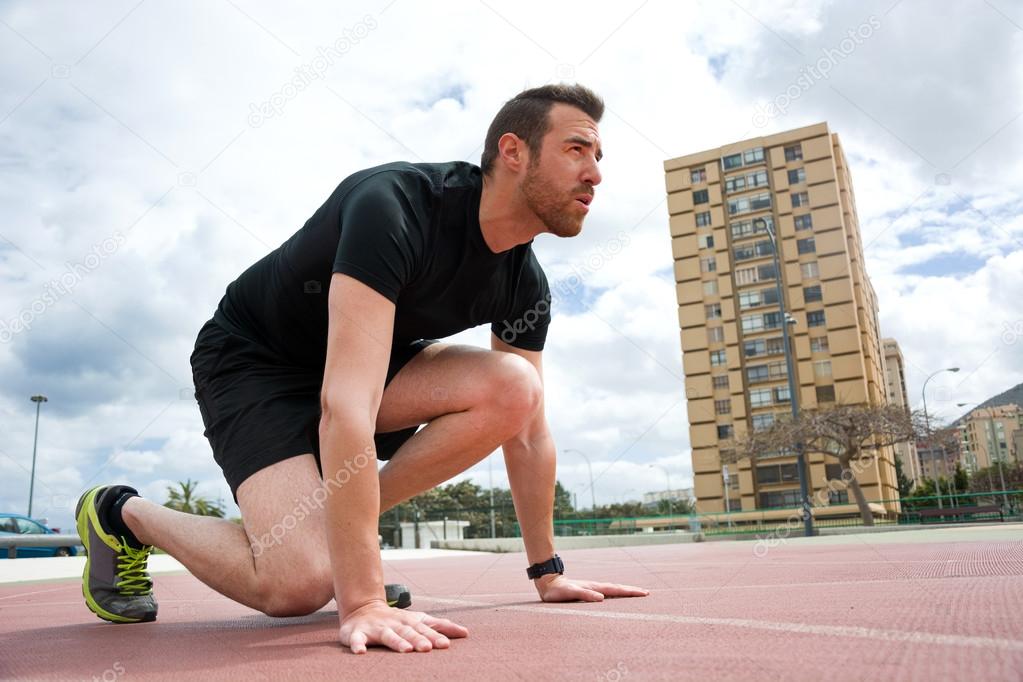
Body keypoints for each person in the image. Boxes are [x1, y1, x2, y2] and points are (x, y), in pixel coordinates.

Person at [75, 83, 649, 654]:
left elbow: (528, 435)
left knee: (516, 390)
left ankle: (338, 540)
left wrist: (547, 572)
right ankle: (125, 514)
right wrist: (363, 597)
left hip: (368, 369)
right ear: (513, 151)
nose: (595, 173)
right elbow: (345, 404)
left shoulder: (525, 285)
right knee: (298, 586)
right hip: (256, 360)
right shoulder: (395, 204)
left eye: (599, 158)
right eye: (577, 150)